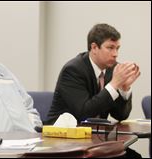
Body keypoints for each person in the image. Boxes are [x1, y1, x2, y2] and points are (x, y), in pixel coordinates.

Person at [45, 23, 142, 158]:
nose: (115, 54)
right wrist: (114, 85)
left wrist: (124, 89)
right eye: (110, 48)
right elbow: (84, 113)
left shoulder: (111, 70)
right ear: (94, 47)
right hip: (64, 141)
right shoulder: (73, 70)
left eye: (117, 48)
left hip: (95, 140)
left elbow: (120, 115)